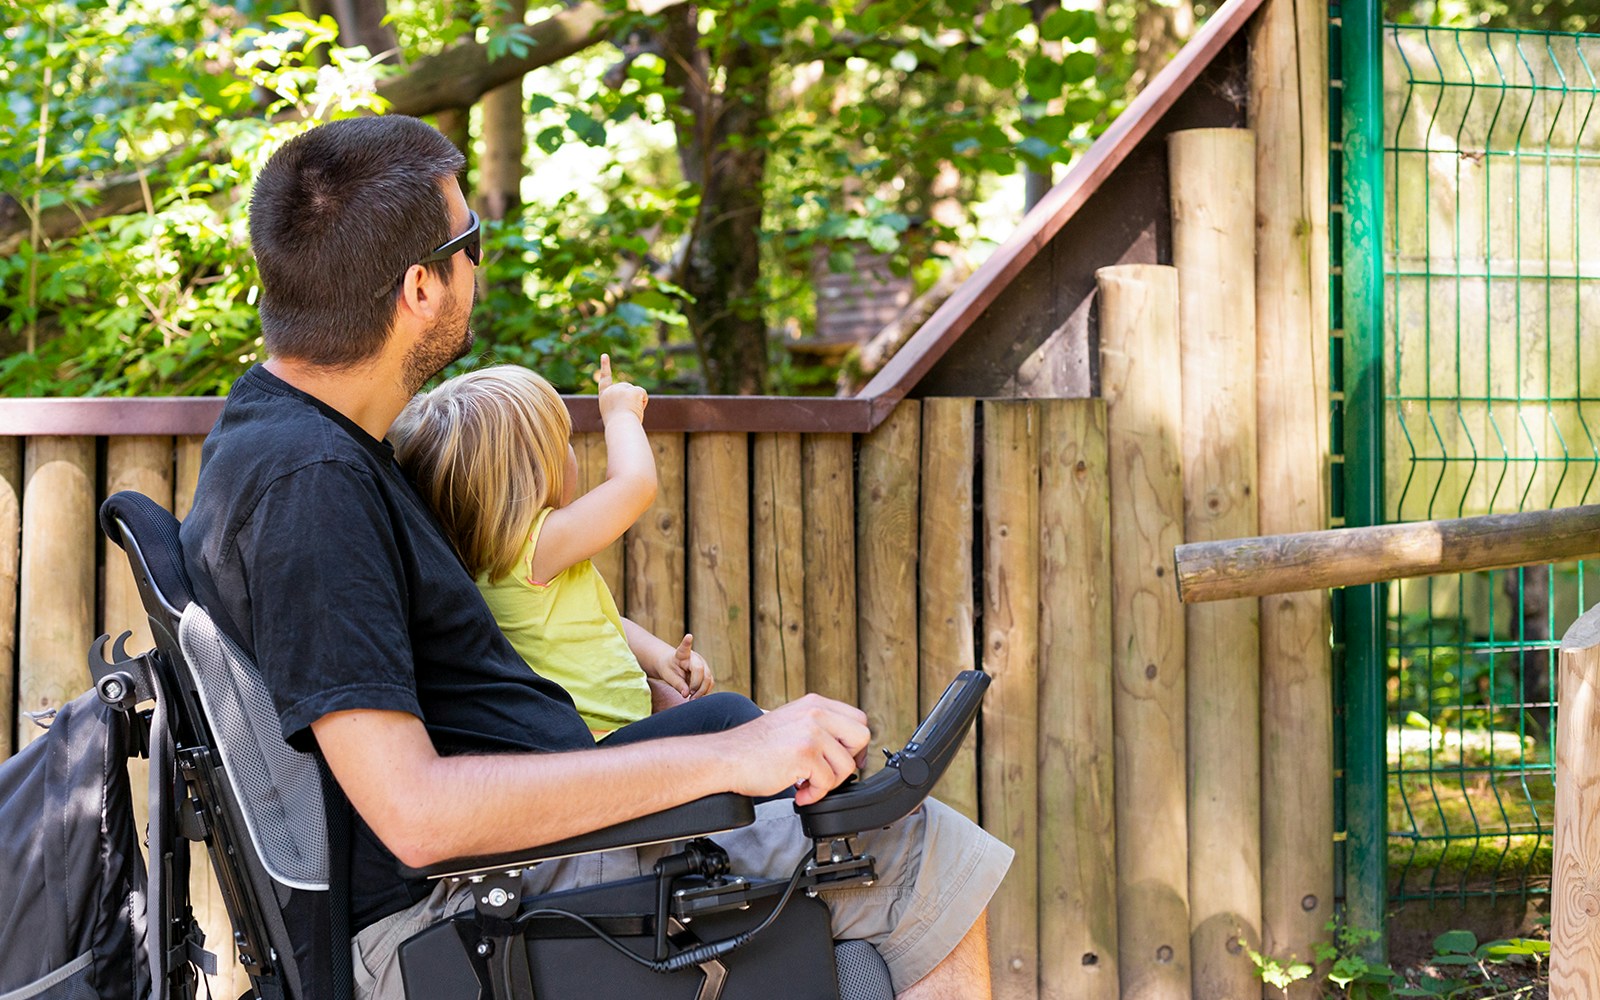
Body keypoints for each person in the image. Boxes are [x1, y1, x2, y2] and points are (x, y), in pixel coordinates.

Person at [179, 114, 1011, 1000]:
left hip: (512, 874)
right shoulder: (313, 489)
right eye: (470, 242)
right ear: (421, 286)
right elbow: (415, 815)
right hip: (472, 912)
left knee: (849, 803)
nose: (477, 265)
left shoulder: (299, 441)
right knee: (914, 848)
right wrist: (735, 757)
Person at [390, 358, 715, 738]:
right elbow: (635, 485)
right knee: (732, 714)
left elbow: (601, 621)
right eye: (565, 442)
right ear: (534, 472)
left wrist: (660, 658)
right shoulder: (534, 549)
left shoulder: (480, 559)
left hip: (599, 738)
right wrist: (621, 414)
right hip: (602, 742)